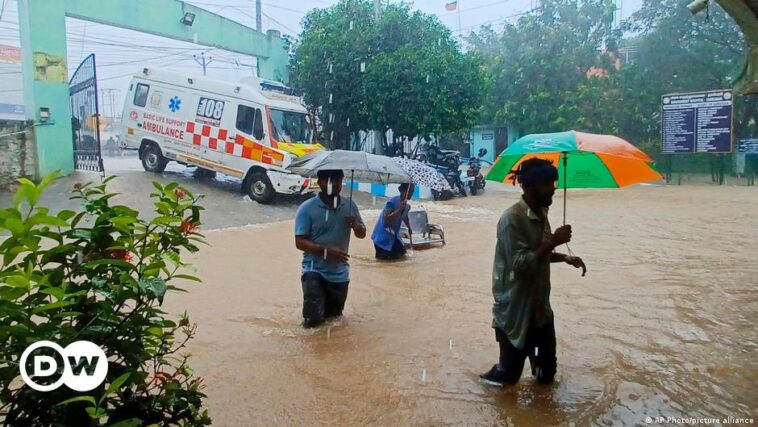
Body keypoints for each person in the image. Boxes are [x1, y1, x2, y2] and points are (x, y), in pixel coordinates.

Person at [480, 158, 587, 387]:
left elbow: (538, 254)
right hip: (515, 311)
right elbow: (520, 264)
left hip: (540, 309)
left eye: (554, 182)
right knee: (508, 378)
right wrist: (554, 242)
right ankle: (480, 382)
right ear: (529, 187)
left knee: (546, 375)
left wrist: (564, 257)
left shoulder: (541, 212)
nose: (554, 188)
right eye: (548, 183)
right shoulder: (511, 219)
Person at [294, 169, 367, 328]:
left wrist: (355, 225)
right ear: (319, 182)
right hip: (313, 271)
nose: (334, 185)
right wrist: (326, 251)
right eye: (329, 181)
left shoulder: (349, 206)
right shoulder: (307, 208)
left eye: (337, 181)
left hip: (339, 274)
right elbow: (299, 242)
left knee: (334, 322)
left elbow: (362, 234)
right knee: (312, 323)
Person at [371, 183, 415, 260]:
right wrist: (399, 210)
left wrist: (409, 227)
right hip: (382, 238)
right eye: (410, 191)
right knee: (384, 262)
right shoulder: (391, 202)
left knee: (402, 255)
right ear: (402, 190)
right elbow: (386, 219)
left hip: (393, 236)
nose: (411, 193)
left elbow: (404, 216)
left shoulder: (407, 206)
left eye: (412, 191)